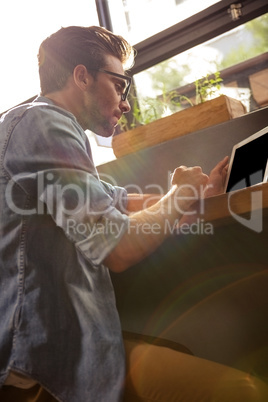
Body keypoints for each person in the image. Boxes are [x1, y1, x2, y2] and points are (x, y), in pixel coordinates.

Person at [0, 25, 267, 402]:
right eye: (119, 85)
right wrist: (182, 193)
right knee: (244, 393)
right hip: (42, 362)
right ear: (81, 76)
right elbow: (118, 246)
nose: (125, 103)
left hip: (68, 347)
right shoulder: (43, 123)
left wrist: (195, 195)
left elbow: (119, 199)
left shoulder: (43, 128)